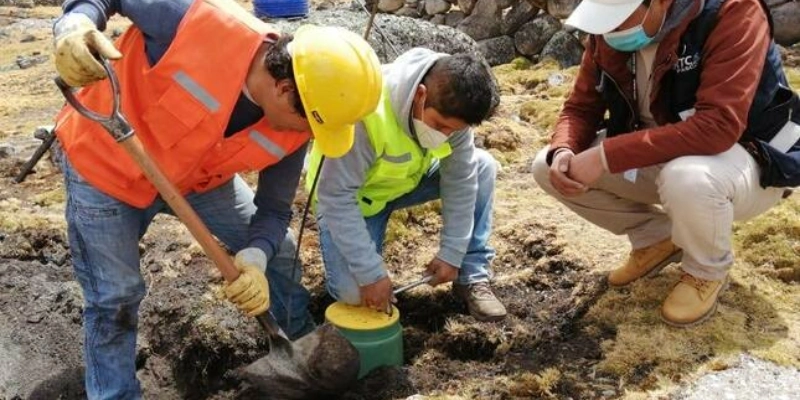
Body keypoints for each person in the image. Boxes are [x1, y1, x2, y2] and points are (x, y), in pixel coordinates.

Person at [51, 0, 382, 397]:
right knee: (115, 297)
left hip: (198, 181)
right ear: (284, 88)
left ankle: (297, 347)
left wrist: (256, 257)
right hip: (104, 167)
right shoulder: (198, 22)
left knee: (278, 254)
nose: (308, 135)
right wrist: (74, 24)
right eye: (309, 123)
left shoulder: (300, 124)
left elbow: (274, 210)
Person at [531, 0, 800, 327]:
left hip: (753, 160)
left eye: (616, 19)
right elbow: (580, 108)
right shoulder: (608, 36)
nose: (609, 31)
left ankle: (705, 271)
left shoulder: (733, 12)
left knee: (687, 179)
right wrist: (563, 151)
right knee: (545, 167)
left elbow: (718, 127)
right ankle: (656, 238)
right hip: (662, 151)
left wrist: (607, 155)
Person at [307, 48, 508, 322]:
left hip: (407, 182)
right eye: (440, 125)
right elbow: (337, 196)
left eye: (454, 131)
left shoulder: (455, 112)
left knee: (481, 166)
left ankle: (471, 275)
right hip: (352, 198)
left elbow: (460, 179)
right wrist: (371, 274)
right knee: (354, 294)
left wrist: (452, 253)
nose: (446, 136)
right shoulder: (366, 112)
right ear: (421, 95)